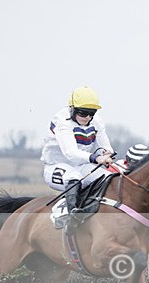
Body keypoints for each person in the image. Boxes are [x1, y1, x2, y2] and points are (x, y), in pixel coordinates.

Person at [41, 86, 115, 231]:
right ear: (72, 109)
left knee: (108, 177)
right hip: (56, 166)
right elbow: (71, 153)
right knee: (73, 176)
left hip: (82, 166)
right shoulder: (62, 122)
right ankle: (72, 215)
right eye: (83, 112)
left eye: (91, 113)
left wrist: (107, 153)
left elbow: (105, 146)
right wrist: (95, 158)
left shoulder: (96, 121)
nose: (87, 117)